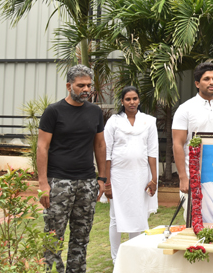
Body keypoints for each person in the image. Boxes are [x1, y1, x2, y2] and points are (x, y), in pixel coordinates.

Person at [37, 65, 107, 273]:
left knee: (81, 237)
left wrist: (101, 178)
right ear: (69, 86)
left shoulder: (95, 112)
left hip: (86, 182)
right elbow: (42, 147)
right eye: (81, 85)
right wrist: (43, 183)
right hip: (59, 182)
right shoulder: (53, 111)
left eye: (88, 85)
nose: (86, 89)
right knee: (53, 236)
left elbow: (100, 145)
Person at [103, 86, 159, 262]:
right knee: (115, 218)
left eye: (135, 98)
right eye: (128, 99)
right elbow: (107, 153)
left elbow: (152, 151)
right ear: (121, 101)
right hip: (118, 176)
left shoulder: (148, 121)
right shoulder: (113, 122)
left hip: (141, 174)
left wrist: (154, 179)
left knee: (138, 215)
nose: (132, 102)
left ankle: (134, 259)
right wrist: (107, 183)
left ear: (139, 100)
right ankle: (116, 259)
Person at [172, 62, 213, 197]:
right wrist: (183, 177)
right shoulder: (185, 109)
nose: (211, 82)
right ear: (197, 84)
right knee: (193, 217)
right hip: (193, 174)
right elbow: (177, 144)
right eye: (206, 79)